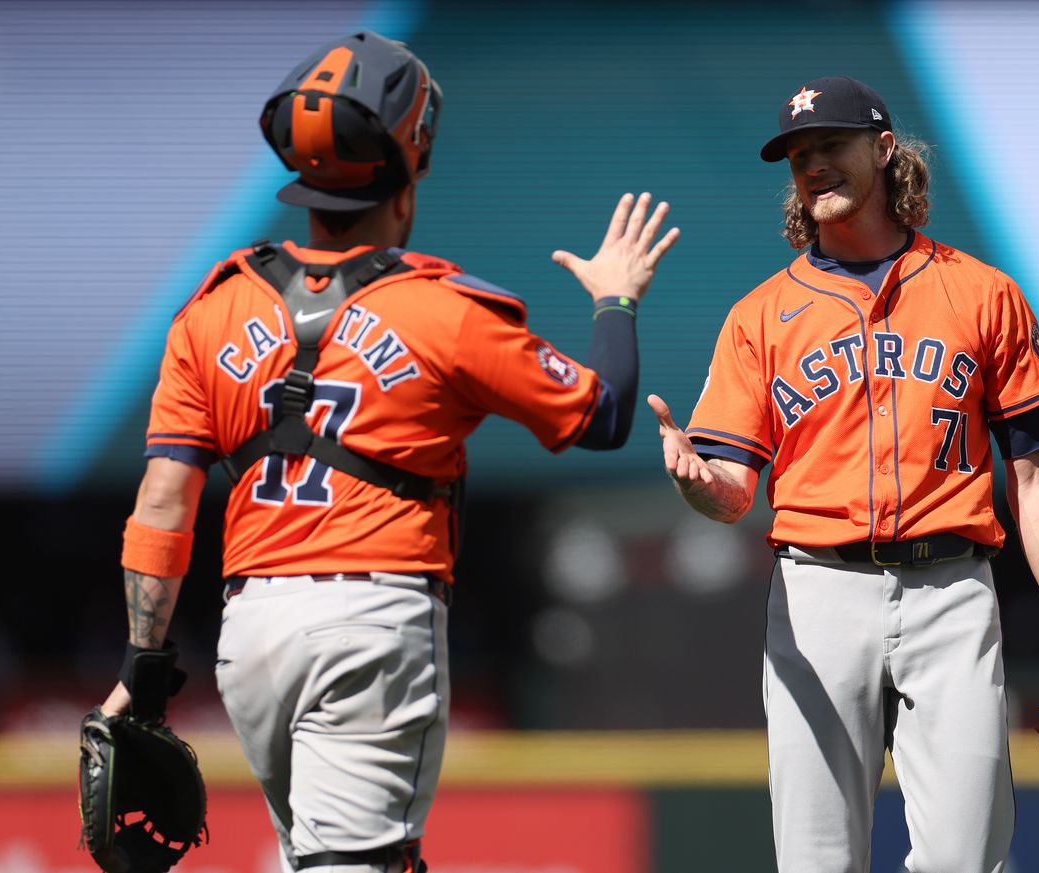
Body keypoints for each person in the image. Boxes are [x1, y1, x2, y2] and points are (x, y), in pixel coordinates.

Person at [94, 31, 678, 873]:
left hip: (250, 632)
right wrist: (616, 297)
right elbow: (607, 412)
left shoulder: (212, 308)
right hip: (369, 618)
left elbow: (161, 503)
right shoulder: (444, 309)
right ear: (415, 162)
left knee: (328, 860)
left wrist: (142, 665)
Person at [647, 76, 1039, 872]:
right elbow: (733, 493)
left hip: (953, 590)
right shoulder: (760, 317)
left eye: (829, 145)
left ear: (885, 149)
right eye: (798, 156)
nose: (813, 165)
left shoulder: (981, 292)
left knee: (969, 858)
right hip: (817, 594)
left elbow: (1035, 470)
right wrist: (700, 484)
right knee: (816, 859)